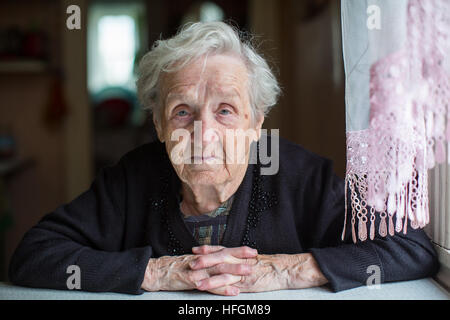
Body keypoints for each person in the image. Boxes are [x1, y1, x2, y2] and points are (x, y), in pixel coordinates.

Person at [8, 21, 438, 296]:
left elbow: (410, 249)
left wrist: (290, 270)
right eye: (182, 112)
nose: (203, 133)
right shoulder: (134, 175)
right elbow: (33, 257)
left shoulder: (296, 174)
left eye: (226, 111)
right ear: (158, 125)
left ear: (257, 123)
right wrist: (157, 273)